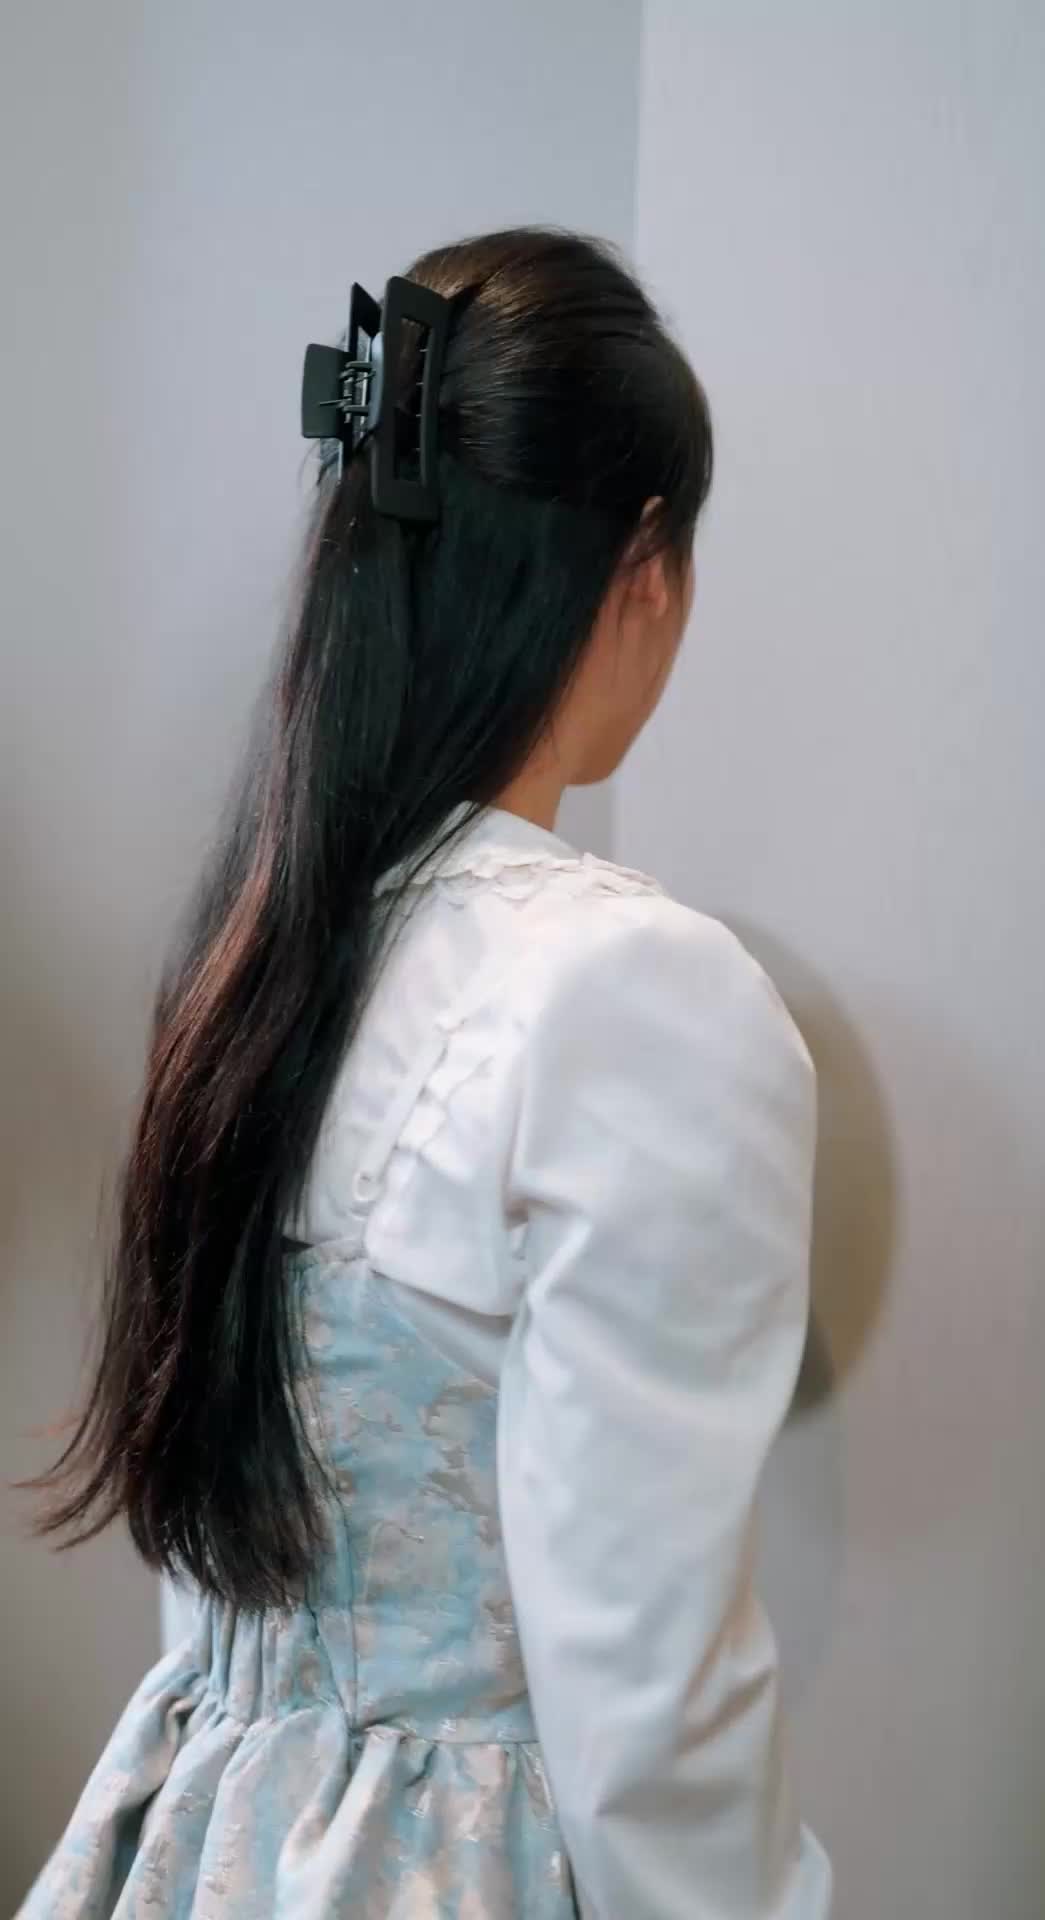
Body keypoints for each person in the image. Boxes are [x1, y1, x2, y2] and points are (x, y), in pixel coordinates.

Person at [18, 228, 831, 1918]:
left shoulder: (258, 956)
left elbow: (221, 1542)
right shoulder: (637, 994)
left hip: (202, 1832)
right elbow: (652, 1702)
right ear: (645, 564)